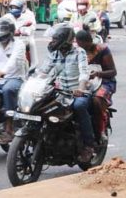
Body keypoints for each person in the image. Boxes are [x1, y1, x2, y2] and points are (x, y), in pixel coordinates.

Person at [37, 24, 95, 162]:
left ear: (66, 41)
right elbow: (43, 72)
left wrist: (80, 88)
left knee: (78, 106)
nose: (53, 42)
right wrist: (32, 83)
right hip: (61, 92)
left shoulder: (79, 52)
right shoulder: (54, 54)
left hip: (78, 92)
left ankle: (88, 145)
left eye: (56, 39)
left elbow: (84, 72)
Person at [75, 30, 116, 139]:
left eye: (84, 45)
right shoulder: (76, 51)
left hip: (104, 81)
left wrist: (98, 73)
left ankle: (100, 130)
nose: (82, 48)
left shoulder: (102, 50)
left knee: (96, 100)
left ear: (90, 42)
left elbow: (113, 72)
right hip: (84, 81)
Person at [7, 0, 38, 68]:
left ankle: (34, 64)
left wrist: (26, 31)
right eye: (13, 7)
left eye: (16, 7)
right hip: (12, 36)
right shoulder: (9, 15)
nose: (14, 9)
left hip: (25, 37)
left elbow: (33, 26)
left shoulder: (29, 14)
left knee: (32, 43)